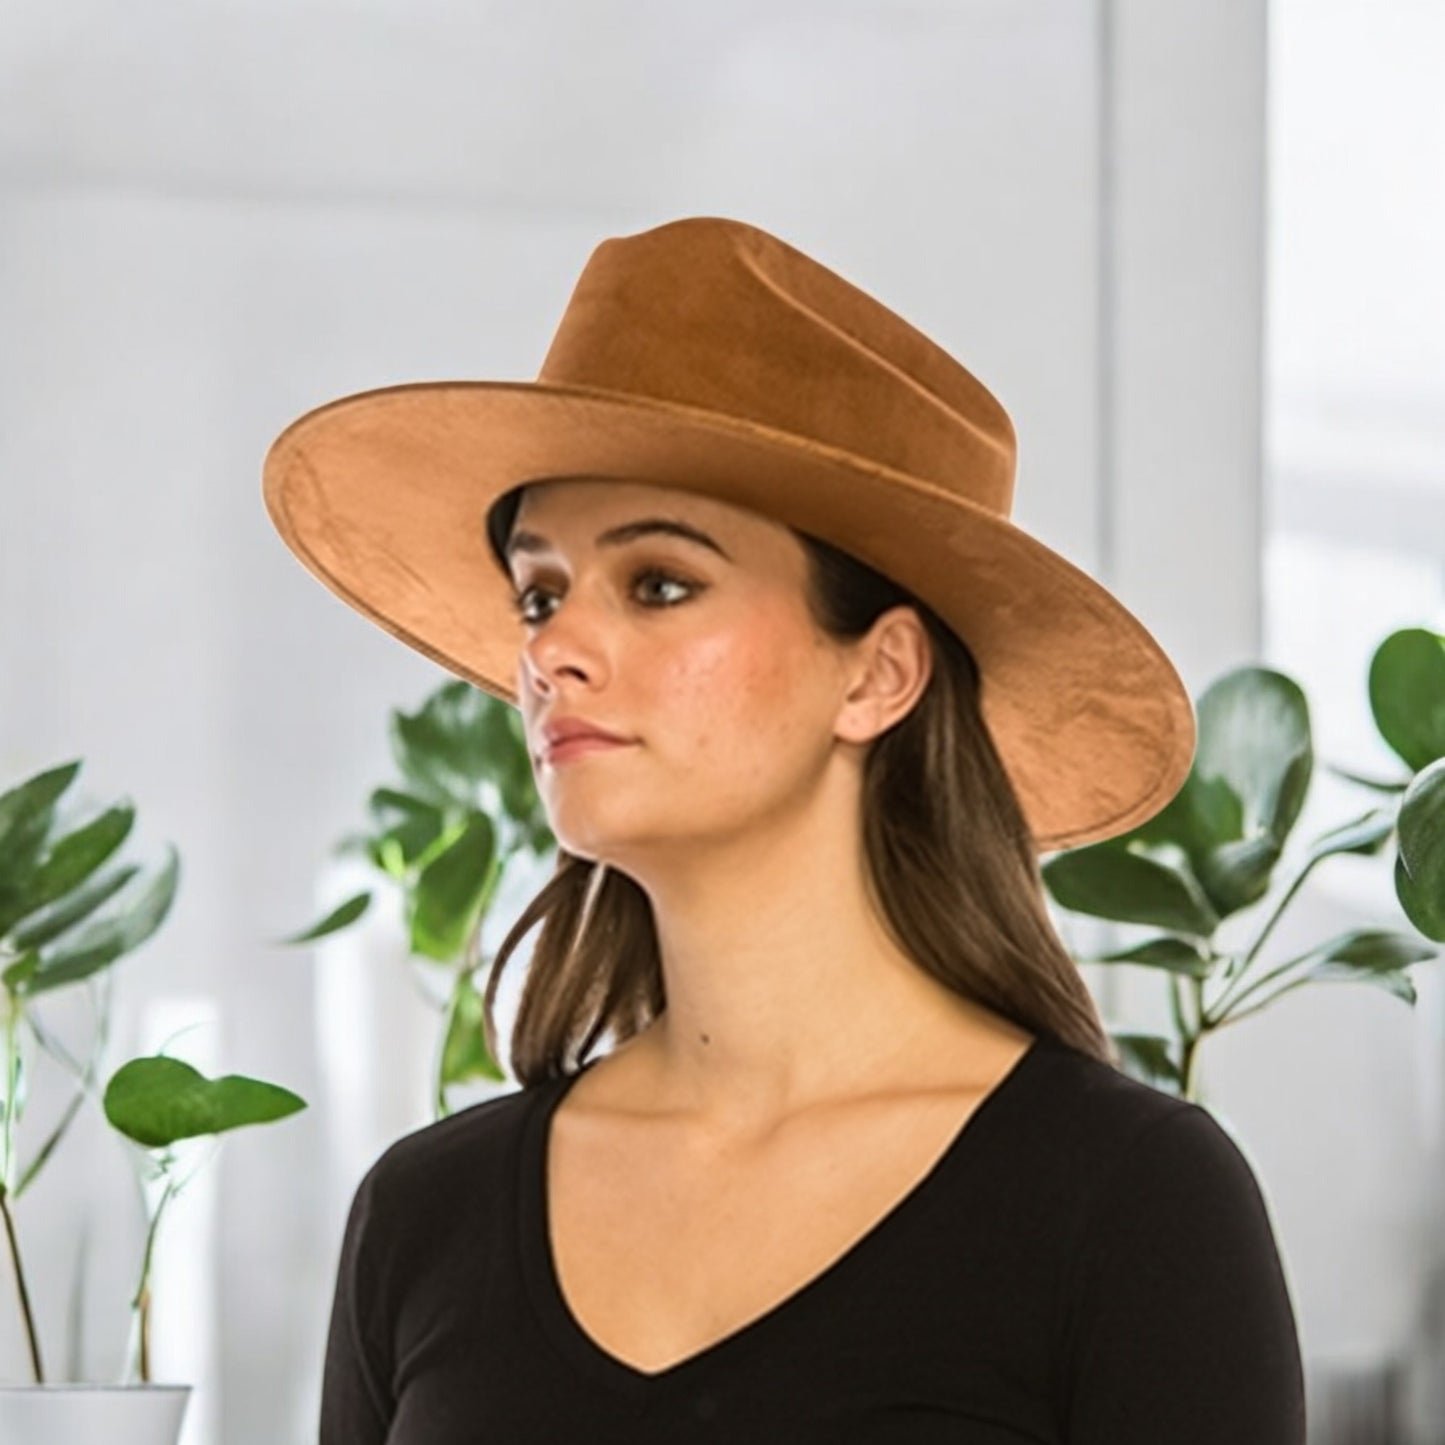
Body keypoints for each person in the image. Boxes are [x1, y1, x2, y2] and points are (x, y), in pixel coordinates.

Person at [263, 215, 1307, 1442]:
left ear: (877, 676)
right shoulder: (423, 1214)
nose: (550, 648)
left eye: (658, 582)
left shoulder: (1126, 1202)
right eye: (537, 592)